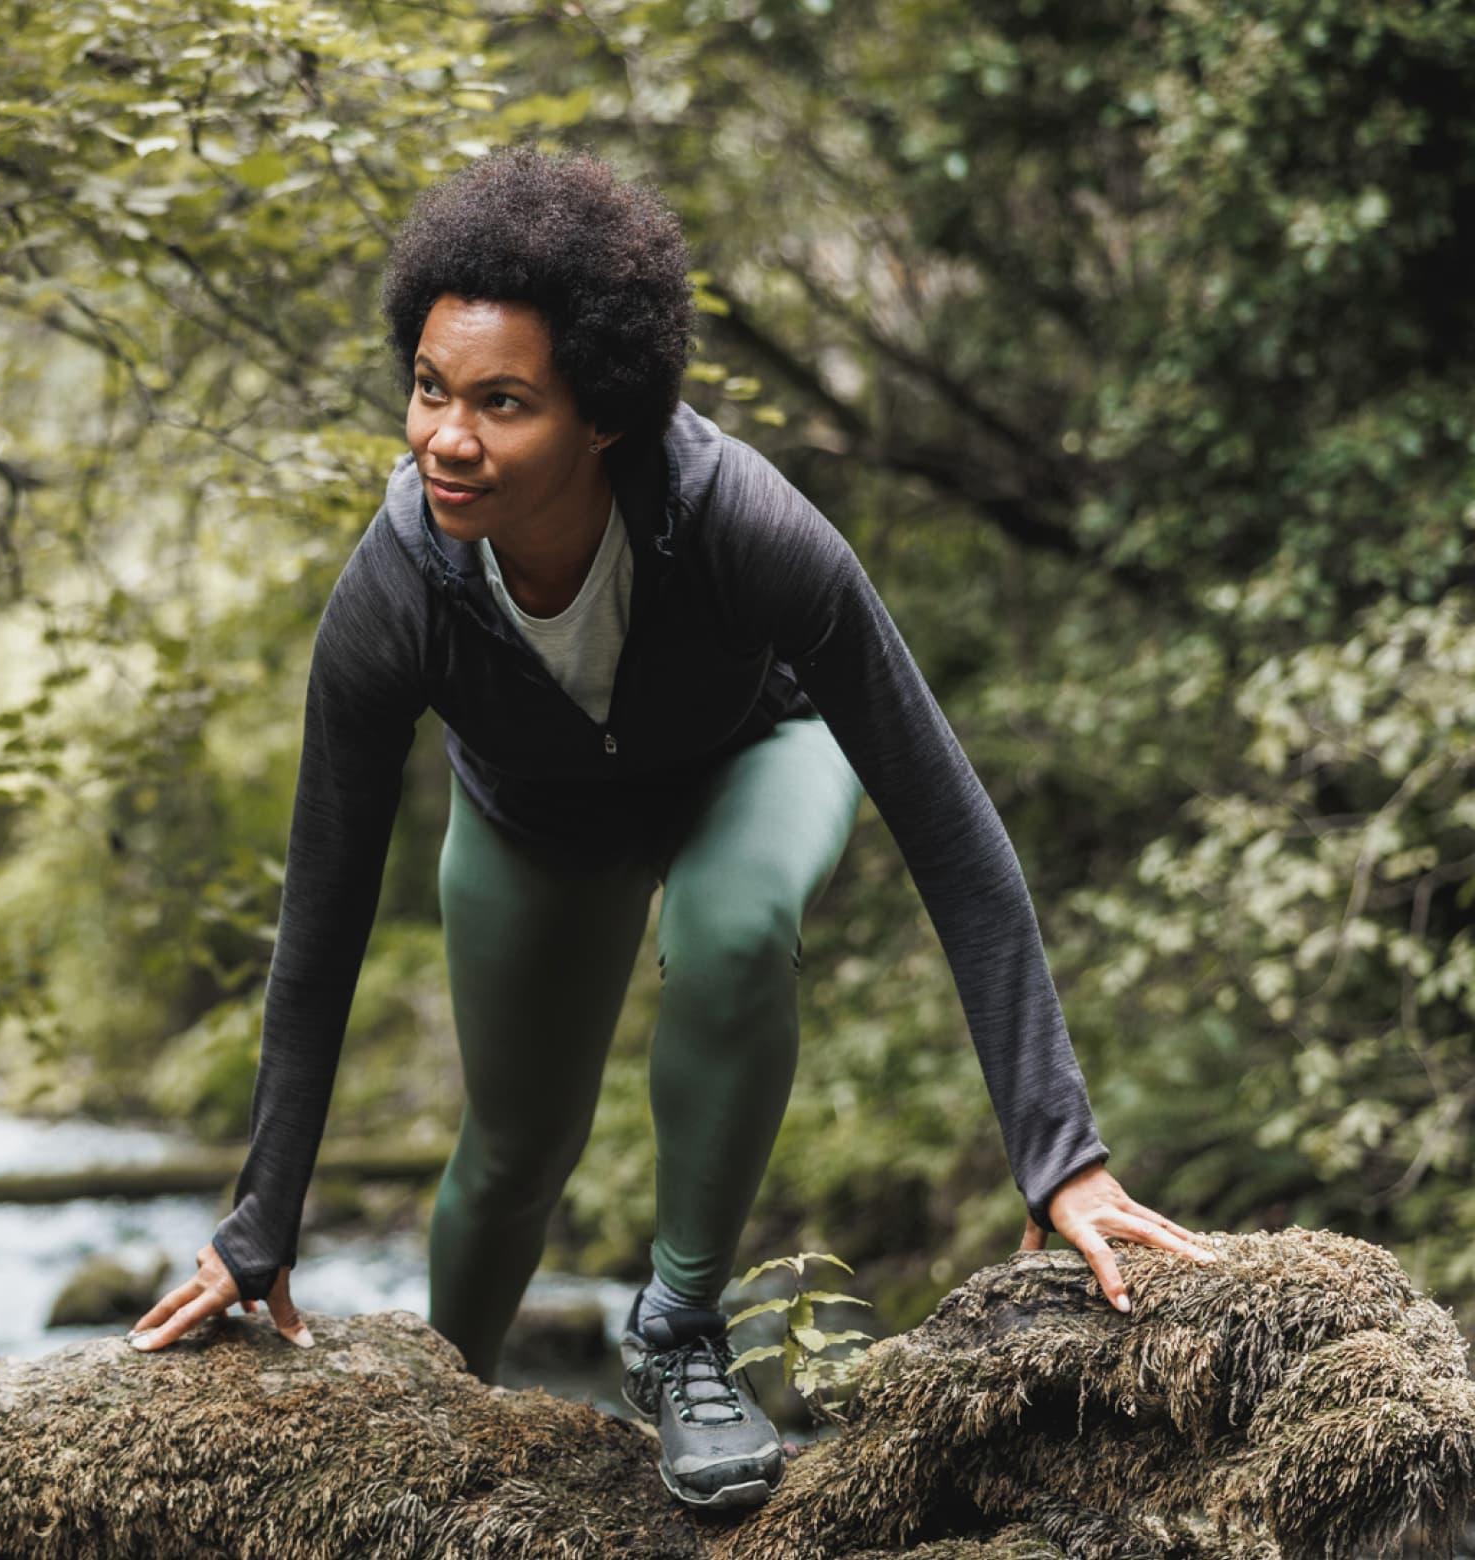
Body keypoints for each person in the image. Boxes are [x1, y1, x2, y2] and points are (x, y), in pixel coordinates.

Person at [124, 144, 1217, 1512]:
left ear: (604, 416)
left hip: (753, 752)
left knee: (735, 924)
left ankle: (684, 1332)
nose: (446, 438)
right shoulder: (395, 591)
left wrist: (1063, 1157)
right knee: (515, 1153)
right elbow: (326, 910)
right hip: (532, 816)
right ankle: (441, 1399)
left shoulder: (748, 525)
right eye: (429, 389)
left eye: (503, 403)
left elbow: (951, 827)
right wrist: (261, 1222)